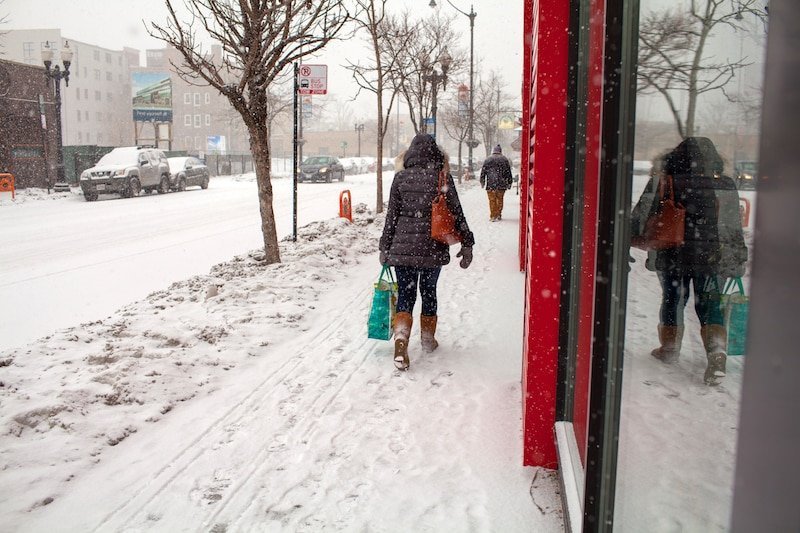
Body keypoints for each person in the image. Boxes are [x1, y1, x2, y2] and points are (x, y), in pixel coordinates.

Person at [631, 137, 747, 385]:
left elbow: (640, 216)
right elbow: (732, 226)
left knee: (673, 300)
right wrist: (737, 256)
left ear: (675, 157)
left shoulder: (664, 181)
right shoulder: (724, 185)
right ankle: (716, 354)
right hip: (709, 257)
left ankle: (669, 348)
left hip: (673, 254)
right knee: (709, 304)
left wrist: (625, 240)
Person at [379, 133, 475, 371]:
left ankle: (401, 342)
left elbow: (391, 217)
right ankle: (427, 339)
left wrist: (385, 247)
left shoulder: (400, 178)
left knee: (406, 295)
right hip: (432, 246)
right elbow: (457, 212)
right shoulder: (442, 178)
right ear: (436, 154)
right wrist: (467, 243)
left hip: (403, 249)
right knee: (429, 292)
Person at [479, 144, 514, 221]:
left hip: (490, 184)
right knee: (500, 199)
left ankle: (492, 216)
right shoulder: (504, 159)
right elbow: (508, 172)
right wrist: (509, 182)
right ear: (500, 151)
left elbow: (483, 172)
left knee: (492, 200)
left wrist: (482, 181)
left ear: (493, 151)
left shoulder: (488, 159)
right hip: (502, 184)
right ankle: (498, 214)